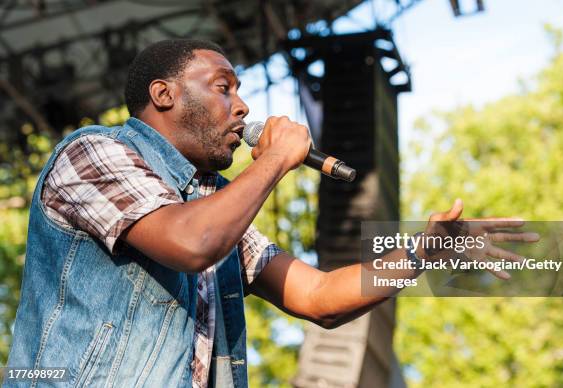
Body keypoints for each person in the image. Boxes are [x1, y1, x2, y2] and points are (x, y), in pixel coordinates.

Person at [5, 39, 535, 388]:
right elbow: (190, 244)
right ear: (163, 94)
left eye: (239, 90)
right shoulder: (94, 151)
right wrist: (278, 159)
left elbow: (319, 298)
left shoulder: (210, 204)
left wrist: (422, 251)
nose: (242, 107)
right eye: (223, 87)